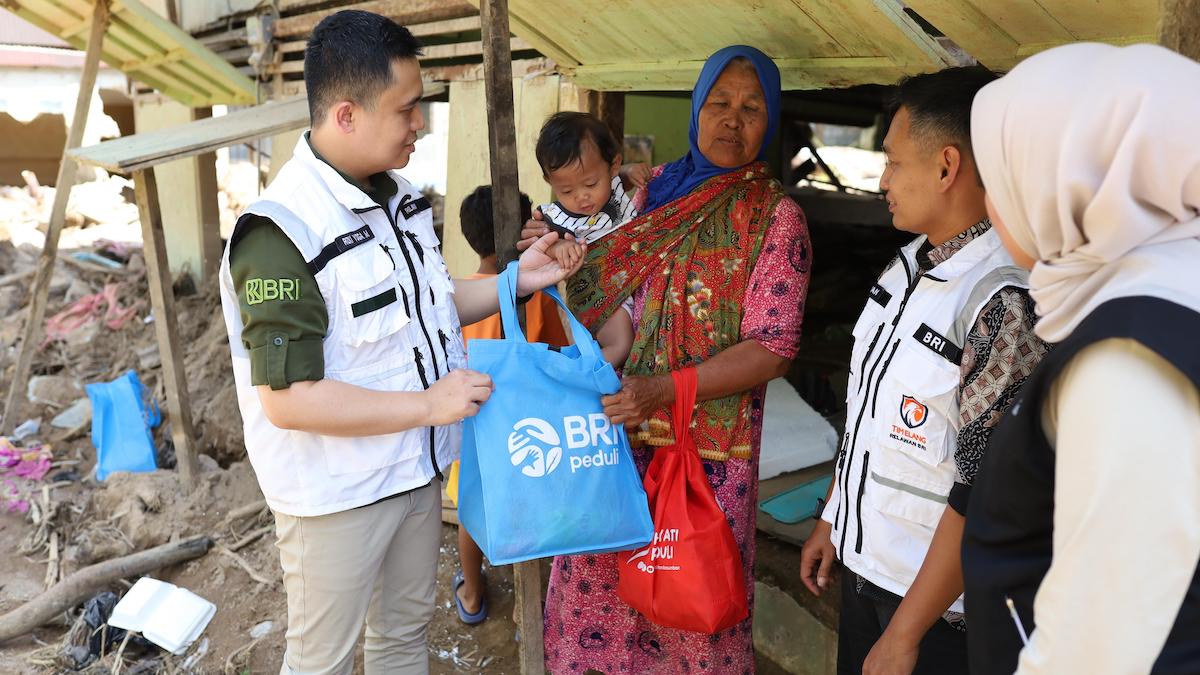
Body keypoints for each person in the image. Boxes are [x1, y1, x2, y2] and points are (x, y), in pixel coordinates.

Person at [216, 10, 577, 674]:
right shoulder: (280, 233)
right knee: (321, 660)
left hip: (414, 471)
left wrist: (516, 282)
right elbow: (290, 402)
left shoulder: (402, 200)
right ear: (346, 115)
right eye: (407, 109)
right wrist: (428, 406)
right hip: (336, 497)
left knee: (403, 637)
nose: (420, 124)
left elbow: (432, 307)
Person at [521, 45, 810, 675]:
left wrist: (664, 389)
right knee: (595, 603)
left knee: (688, 612)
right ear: (696, 107)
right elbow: (599, 284)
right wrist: (550, 244)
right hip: (613, 438)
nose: (732, 119)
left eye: (751, 107)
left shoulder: (776, 220)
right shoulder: (644, 193)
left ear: (773, 119)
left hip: (705, 460)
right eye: (719, 103)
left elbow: (773, 349)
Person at [798, 67, 1048, 675]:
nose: (882, 180)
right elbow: (868, 415)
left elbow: (985, 488)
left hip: (941, 613)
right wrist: (835, 516)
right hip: (867, 571)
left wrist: (907, 633)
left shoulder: (1002, 302)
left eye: (893, 162)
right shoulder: (907, 265)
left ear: (946, 166)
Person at [962, 42, 1200, 675]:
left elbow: (1101, 645)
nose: (989, 204)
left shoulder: (1131, 355)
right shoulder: (1167, 296)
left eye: (997, 178)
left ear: (1059, 181)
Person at [448, 185, 569, 626]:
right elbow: (556, 352)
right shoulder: (534, 294)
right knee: (535, 506)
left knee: (470, 508)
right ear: (523, 234)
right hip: (530, 424)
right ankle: (534, 605)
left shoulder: (455, 300)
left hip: (474, 426)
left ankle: (474, 594)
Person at [535, 111, 647, 367]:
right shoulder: (554, 217)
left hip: (631, 283)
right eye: (566, 190)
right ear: (549, 181)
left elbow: (623, 178)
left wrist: (632, 171)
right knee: (621, 344)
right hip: (598, 292)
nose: (581, 197)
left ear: (613, 166)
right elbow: (540, 242)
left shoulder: (616, 184)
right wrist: (559, 246)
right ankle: (583, 380)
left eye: (591, 184)